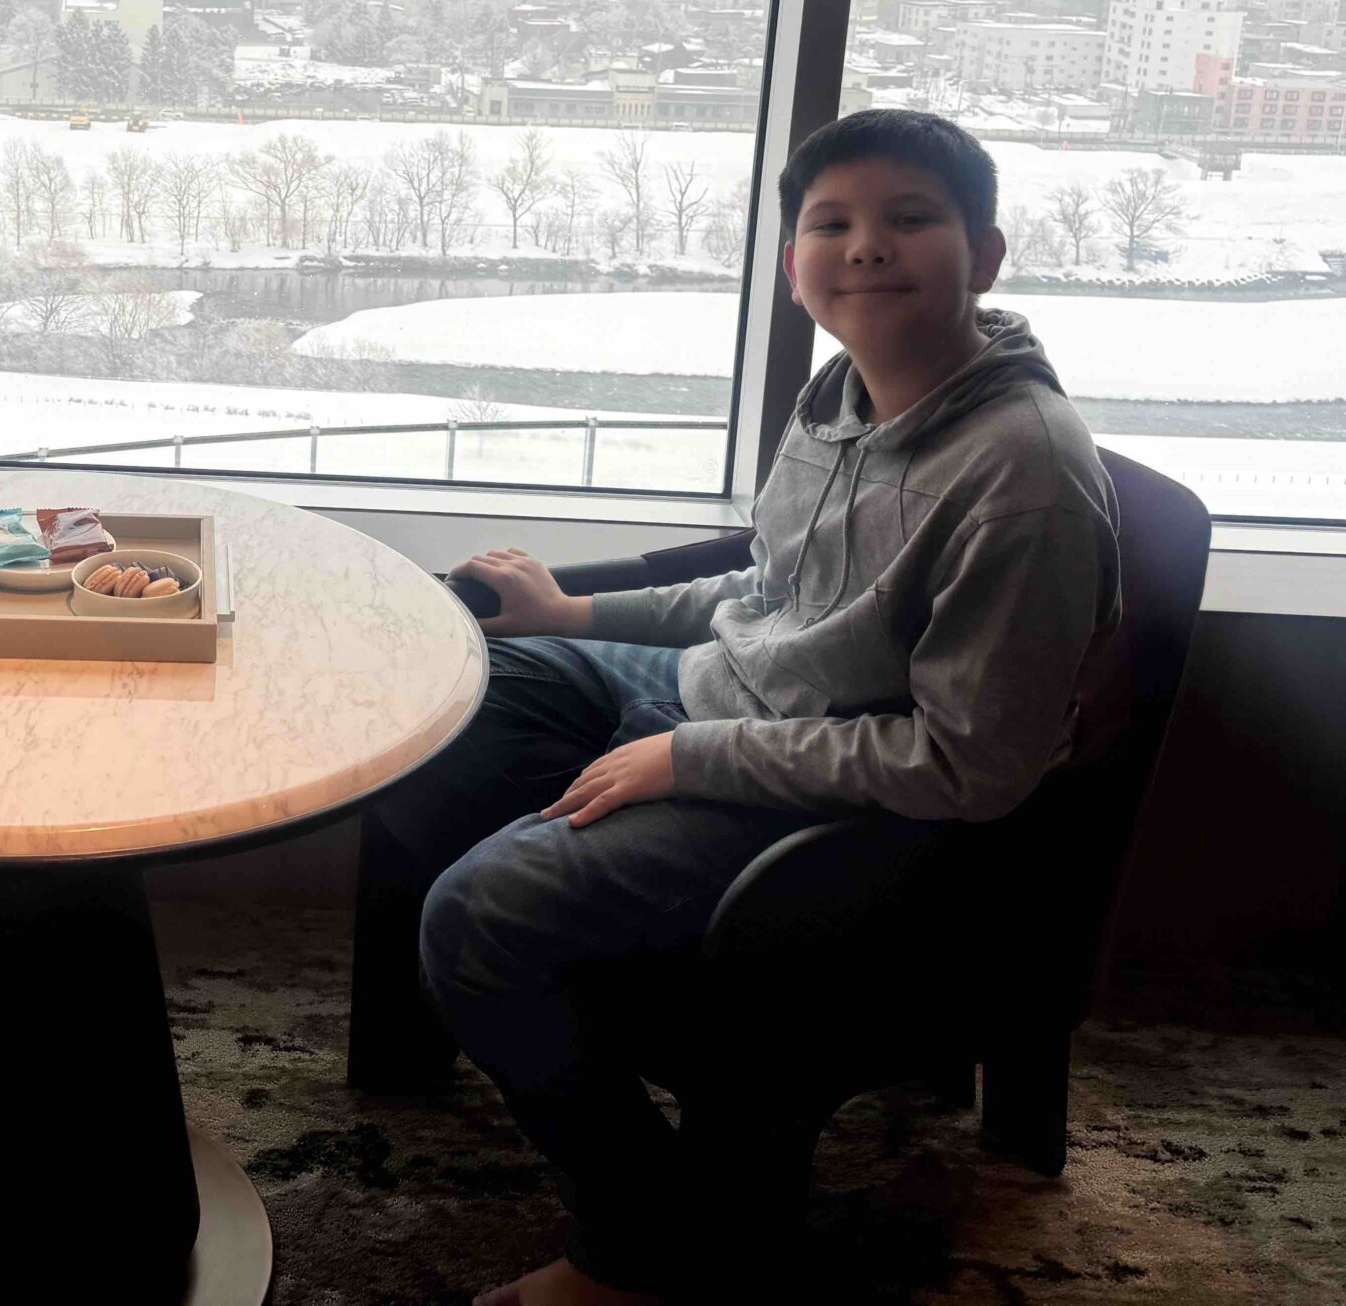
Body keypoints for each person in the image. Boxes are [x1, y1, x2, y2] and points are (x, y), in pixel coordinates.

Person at [401, 109, 1121, 1306]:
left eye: (909, 218)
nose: (865, 246)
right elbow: (770, 593)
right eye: (830, 224)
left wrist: (692, 761)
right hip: (724, 701)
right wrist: (571, 613)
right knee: (455, 704)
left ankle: (641, 1246)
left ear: (985, 256)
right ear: (793, 267)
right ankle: (562, 988)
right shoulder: (840, 396)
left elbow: (970, 767)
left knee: (475, 919)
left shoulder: (1022, 477)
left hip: (838, 814)